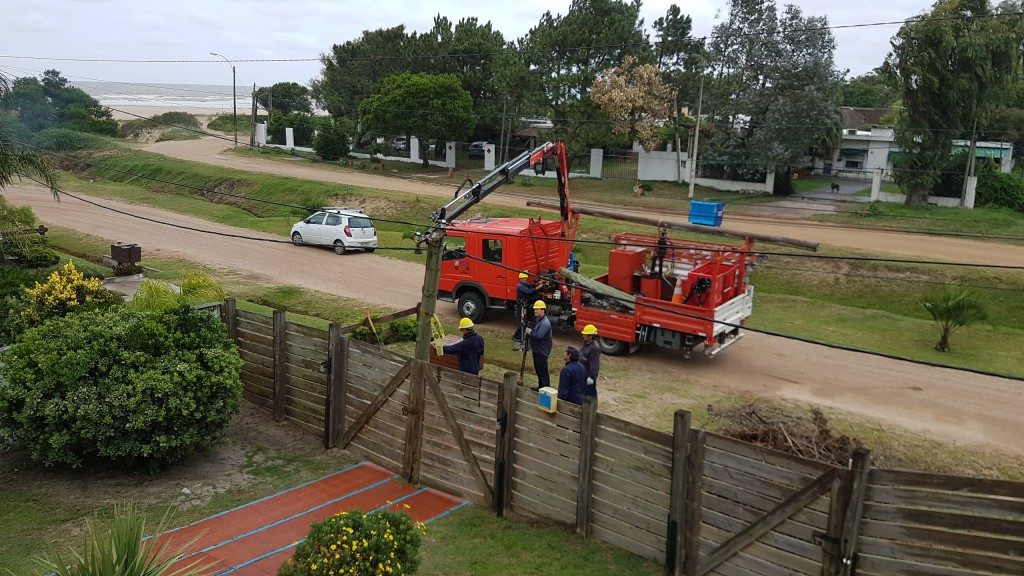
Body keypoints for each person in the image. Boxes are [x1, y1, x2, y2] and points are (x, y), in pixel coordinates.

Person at [525, 300, 552, 391]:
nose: (535, 311)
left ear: (542, 310)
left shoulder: (545, 323)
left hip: (542, 352)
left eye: (537, 309)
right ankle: (541, 387)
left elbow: (539, 336)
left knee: (543, 372)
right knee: (539, 371)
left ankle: (546, 391)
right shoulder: (539, 320)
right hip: (538, 350)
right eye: (535, 309)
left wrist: (530, 332)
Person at [513, 272, 540, 351]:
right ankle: (518, 337)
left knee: (525, 322)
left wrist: (537, 283)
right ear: (520, 279)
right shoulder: (520, 286)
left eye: (526, 278)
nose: (525, 280)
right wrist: (538, 287)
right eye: (524, 278)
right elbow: (529, 292)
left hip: (525, 307)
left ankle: (517, 336)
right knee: (522, 323)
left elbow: (530, 285)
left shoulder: (524, 285)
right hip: (521, 307)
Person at [579, 324, 601, 400]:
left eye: (584, 334)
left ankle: (592, 409)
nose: (583, 335)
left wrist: (592, 377)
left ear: (590, 336)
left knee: (590, 394)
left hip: (589, 376)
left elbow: (595, 364)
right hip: (584, 373)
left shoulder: (594, 348)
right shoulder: (587, 344)